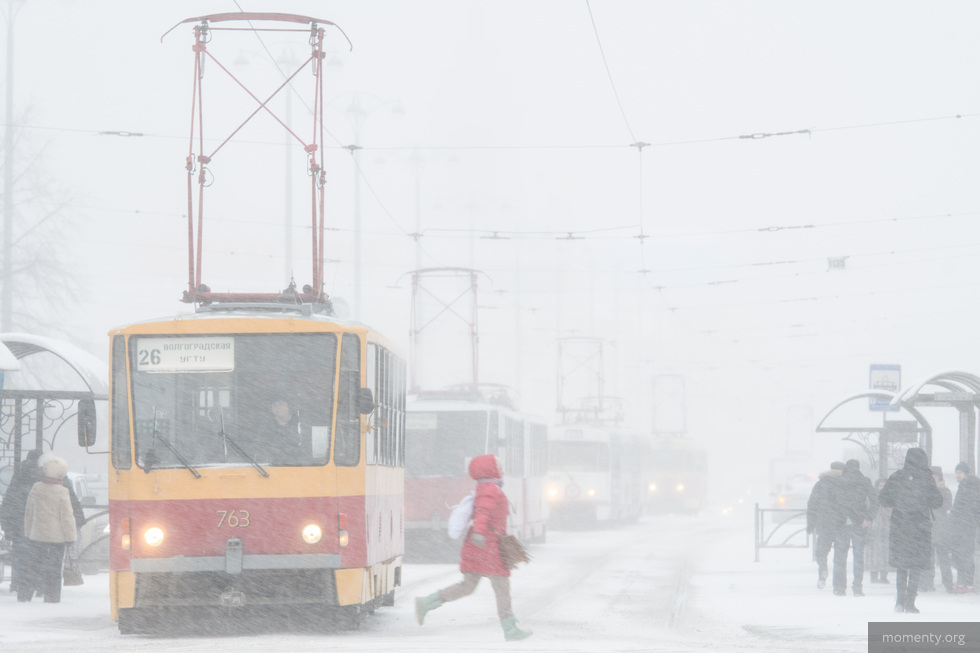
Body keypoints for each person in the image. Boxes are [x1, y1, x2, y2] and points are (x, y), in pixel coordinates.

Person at [414, 454, 532, 641]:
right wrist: (479, 532)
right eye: (498, 466)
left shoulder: (486, 487)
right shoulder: (490, 489)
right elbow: (483, 511)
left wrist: (479, 533)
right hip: (487, 544)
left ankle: (427, 603)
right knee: (501, 586)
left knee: (467, 586)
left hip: (482, 543)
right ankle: (510, 628)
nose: (502, 470)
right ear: (490, 470)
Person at [877, 448, 943, 613]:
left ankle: (899, 601)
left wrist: (898, 501)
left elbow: (883, 498)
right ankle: (910, 602)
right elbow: (937, 502)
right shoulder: (926, 479)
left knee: (901, 564)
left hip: (900, 525)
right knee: (916, 564)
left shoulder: (897, 477)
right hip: (919, 527)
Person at [18, 455, 77, 603]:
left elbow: (28, 513)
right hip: (57, 539)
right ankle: (52, 598)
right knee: (54, 569)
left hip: (37, 536)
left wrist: (28, 532)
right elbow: (67, 518)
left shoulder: (36, 488)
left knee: (32, 567)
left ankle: (24, 595)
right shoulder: (62, 492)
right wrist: (71, 537)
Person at [831, 459, 878, 596]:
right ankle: (857, 587)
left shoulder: (838, 481)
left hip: (841, 522)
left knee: (840, 557)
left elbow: (832, 501)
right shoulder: (865, 481)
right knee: (858, 557)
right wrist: (868, 517)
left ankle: (840, 587)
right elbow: (875, 501)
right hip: (859, 522)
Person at [0, 449, 43, 594]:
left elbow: (8, 501)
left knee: (20, 556)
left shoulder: (19, 475)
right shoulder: (41, 476)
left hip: (19, 524)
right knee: (39, 556)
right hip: (36, 524)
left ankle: (19, 584)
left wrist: (7, 526)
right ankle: (37, 584)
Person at [806, 461, 844, 589]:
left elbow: (812, 504)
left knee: (822, 550)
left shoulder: (821, 484)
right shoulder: (846, 484)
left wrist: (811, 522)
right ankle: (839, 580)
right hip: (842, 522)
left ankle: (823, 570)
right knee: (840, 552)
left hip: (824, 522)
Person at [945, 461, 980, 593]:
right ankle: (963, 583)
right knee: (962, 554)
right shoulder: (966, 486)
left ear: (965, 473)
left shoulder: (969, 487)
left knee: (964, 554)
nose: (957, 475)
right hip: (963, 525)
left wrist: (956, 514)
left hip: (965, 526)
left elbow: (969, 507)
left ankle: (967, 584)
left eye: (959, 472)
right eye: (956, 473)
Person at [923, 466, 952, 592]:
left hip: (941, 529)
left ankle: (948, 583)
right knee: (928, 558)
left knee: (943, 558)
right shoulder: (926, 490)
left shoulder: (945, 491)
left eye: (935, 476)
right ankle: (928, 582)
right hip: (929, 528)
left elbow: (946, 505)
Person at [865, 478, 893, 584]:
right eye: (881, 486)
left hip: (887, 528)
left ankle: (883, 574)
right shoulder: (872, 499)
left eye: (884, 486)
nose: (882, 488)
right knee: (875, 552)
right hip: (876, 528)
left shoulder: (892, 499)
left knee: (886, 552)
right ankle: (874, 574)